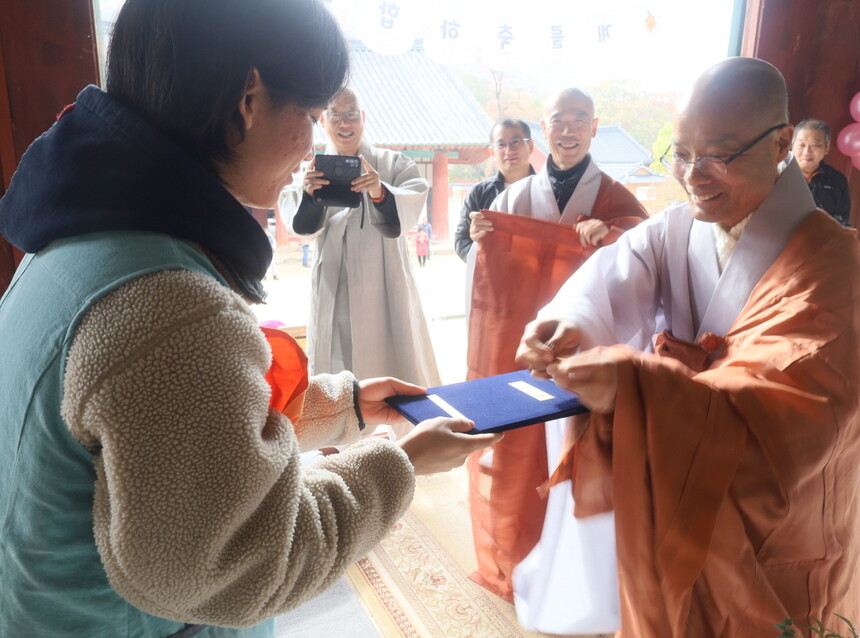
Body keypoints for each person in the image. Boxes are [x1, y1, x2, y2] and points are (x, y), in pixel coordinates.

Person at [0, 1, 500, 636]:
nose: (316, 142)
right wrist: (397, 459)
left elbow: (175, 424)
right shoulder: (171, 308)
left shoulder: (83, 242)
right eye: (313, 116)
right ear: (249, 97)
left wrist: (342, 407)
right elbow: (244, 562)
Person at [517, 57, 860, 637]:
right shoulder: (679, 227)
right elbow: (607, 279)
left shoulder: (830, 264)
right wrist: (568, 323)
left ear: (782, 142)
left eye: (717, 155)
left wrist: (639, 388)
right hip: (684, 496)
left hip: (780, 528)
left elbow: (794, 413)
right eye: (681, 153)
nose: (692, 175)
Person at [465, 88, 647, 626]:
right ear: (543, 131)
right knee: (518, 451)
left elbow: (644, 262)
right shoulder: (514, 198)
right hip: (524, 349)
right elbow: (492, 285)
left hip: (582, 357)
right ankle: (513, 553)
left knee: (579, 460)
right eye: (557, 121)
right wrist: (482, 237)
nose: (567, 130)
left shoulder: (617, 198)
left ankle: (578, 579)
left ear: (595, 128)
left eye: (578, 120)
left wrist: (613, 233)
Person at [278, 88, 440, 387]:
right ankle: (341, 428)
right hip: (332, 281)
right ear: (322, 121)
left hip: (384, 280)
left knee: (394, 358)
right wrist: (310, 196)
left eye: (351, 115)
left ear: (363, 118)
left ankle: (401, 429)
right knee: (335, 363)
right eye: (336, 116)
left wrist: (380, 192)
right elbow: (300, 228)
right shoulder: (309, 171)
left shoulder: (393, 164)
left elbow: (411, 205)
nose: (345, 124)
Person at [453, 119, 536, 261]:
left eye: (515, 142)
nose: (509, 150)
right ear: (492, 152)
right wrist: (477, 246)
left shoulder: (547, 189)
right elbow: (461, 241)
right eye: (501, 144)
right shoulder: (479, 193)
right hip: (494, 277)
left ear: (531, 146)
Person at [792, 118, 852, 226]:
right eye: (801, 145)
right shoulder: (777, 173)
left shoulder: (837, 181)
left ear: (826, 148)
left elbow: (842, 223)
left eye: (815, 145)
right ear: (792, 145)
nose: (807, 152)